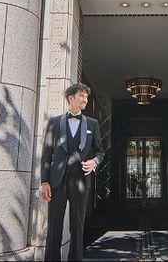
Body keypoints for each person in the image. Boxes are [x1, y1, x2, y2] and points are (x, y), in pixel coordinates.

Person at [40, 83, 105, 262]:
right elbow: (46, 154)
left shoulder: (92, 123)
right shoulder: (54, 122)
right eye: (81, 96)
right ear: (71, 98)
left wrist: (94, 161)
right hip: (57, 180)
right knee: (54, 225)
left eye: (86, 97)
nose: (85, 100)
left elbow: (100, 152)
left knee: (77, 226)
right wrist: (44, 181)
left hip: (81, 180)